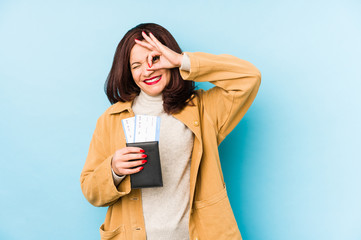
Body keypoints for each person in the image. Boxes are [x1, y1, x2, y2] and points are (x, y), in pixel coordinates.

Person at [80, 23, 261, 240]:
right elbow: (91, 191)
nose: (148, 70)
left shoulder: (203, 110)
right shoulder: (110, 120)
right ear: (128, 72)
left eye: (155, 59)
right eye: (136, 65)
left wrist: (182, 61)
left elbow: (249, 78)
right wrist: (114, 170)